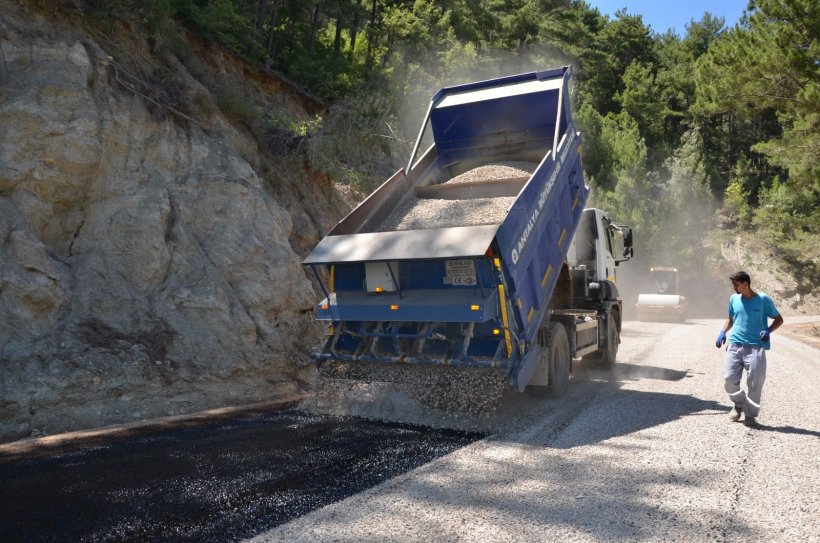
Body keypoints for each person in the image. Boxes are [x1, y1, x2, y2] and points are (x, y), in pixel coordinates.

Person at [715, 271, 783, 426]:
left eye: (736, 284)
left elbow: (779, 319)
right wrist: (722, 332)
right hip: (735, 345)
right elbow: (730, 319)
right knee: (729, 379)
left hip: (756, 347)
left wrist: (768, 330)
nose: (733, 287)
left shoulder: (763, 300)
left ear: (745, 284)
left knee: (755, 382)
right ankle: (738, 404)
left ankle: (750, 415)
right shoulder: (734, 299)